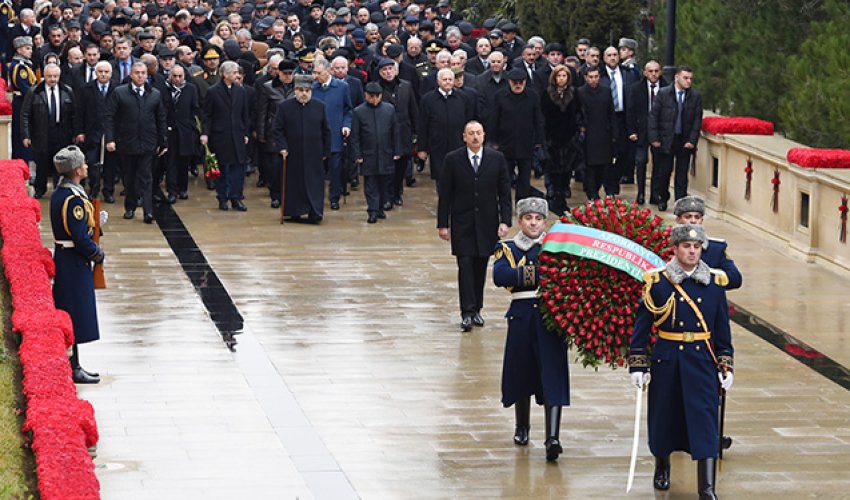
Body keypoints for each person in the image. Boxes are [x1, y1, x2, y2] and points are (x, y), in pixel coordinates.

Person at [629, 224, 734, 499]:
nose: (692, 251)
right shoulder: (658, 282)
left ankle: (707, 487)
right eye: (686, 247)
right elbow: (642, 328)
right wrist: (638, 365)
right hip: (668, 358)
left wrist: (726, 364)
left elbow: (722, 330)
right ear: (674, 249)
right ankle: (662, 466)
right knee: (665, 416)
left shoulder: (714, 283)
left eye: (696, 247)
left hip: (701, 360)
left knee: (705, 420)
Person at [492, 197, 569, 462]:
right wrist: (540, 273)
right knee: (521, 372)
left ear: (545, 222)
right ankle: (522, 426)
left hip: (551, 317)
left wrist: (528, 273)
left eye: (538, 219)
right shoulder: (509, 248)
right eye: (528, 218)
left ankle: (553, 437)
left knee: (553, 375)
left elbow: (568, 276)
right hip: (522, 316)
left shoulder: (556, 247)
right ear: (519, 221)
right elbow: (500, 276)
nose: (533, 223)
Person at [437, 120, 512, 332]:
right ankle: (467, 312)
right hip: (462, 223)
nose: (475, 137)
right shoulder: (453, 160)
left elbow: (504, 192)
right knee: (466, 266)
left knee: (480, 267)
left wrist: (505, 220)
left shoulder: (496, 159)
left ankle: (477, 308)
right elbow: (446, 194)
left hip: (487, 223)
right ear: (464, 137)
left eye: (478, 133)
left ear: (484, 135)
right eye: (471, 133)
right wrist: (443, 224)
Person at [50, 145, 105, 384]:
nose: (85, 166)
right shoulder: (72, 199)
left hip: (68, 260)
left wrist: (96, 224)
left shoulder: (65, 192)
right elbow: (80, 238)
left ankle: (76, 365)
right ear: (75, 170)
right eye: (82, 164)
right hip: (74, 262)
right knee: (73, 316)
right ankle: (72, 368)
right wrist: (96, 253)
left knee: (73, 314)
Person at [105, 61, 168, 224]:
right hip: (127, 142)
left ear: (147, 75)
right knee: (130, 177)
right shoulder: (119, 93)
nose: (140, 76)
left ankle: (148, 211)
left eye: (143, 73)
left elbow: (161, 118)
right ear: (131, 75)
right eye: (137, 73)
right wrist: (110, 139)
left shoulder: (154, 94)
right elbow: (109, 117)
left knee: (147, 177)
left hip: (148, 142)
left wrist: (163, 142)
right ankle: (130, 207)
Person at [272, 73, 331, 223]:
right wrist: (282, 147)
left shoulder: (320, 106)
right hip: (292, 152)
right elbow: (277, 129)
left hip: (314, 153)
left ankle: (315, 211)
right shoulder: (285, 107)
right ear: (295, 91)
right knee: (294, 183)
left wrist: (325, 151)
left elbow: (326, 130)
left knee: (314, 183)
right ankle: (294, 211)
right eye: (300, 90)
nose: (304, 93)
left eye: (307, 90)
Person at [648, 65, 703, 210]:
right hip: (666, 139)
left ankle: (680, 203)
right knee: (664, 172)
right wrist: (654, 138)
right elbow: (654, 117)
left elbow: (697, 121)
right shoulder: (663, 93)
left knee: (682, 174)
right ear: (676, 77)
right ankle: (662, 198)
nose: (689, 81)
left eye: (691, 78)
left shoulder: (695, 97)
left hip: (684, 140)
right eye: (685, 78)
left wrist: (692, 140)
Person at [487, 67, 544, 202]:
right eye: (515, 82)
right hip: (505, 144)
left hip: (526, 144)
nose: (518, 85)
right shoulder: (500, 96)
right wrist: (493, 141)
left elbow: (538, 120)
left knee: (524, 178)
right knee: (504, 178)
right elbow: (494, 119)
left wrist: (539, 141)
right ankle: (504, 203)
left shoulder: (532, 96)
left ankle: (521, 203)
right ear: (509, 82)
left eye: (521, 82)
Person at [201, 60, 251, 212]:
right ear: (225, 74)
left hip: (237, 134)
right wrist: (205, 133)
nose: (237, 75)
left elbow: (244, 114)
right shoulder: (213, 91)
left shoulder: (241, 91)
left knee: (239, 168)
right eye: (234, 73)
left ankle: (236, 197)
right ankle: (222, 197)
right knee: (222, 167)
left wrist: (246, 133)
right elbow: (207, 115)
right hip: (220, 135)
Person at [21, 63, 76, 199]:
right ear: (44, 76)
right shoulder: (34, 92)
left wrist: (75, 133)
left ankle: (60, 188)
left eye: (55, 76)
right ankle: (40, 188)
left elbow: (74, 114)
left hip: (61, 131)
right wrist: (26, 135)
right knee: (42, 162)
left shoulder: (67, 90)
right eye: (50, 76)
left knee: (61, 162)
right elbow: (25, 115)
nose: (53, 79)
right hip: (41, 131)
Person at [350, 81, 402, 223]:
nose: (374, 99)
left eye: (377, 96)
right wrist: (357, 154)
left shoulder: (389, 109)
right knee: (371, 183)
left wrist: (397, 150)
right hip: (368, 154)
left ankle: (379, 208)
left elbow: (395, 131)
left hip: (386, 152)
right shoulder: (359, 111)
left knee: (384, 183)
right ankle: (372, 210)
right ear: (365, 95)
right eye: (371, 96)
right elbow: (355, 136)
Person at [418, 68, 473, 186]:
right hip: (437, 145)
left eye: (450, 79)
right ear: (438, 81)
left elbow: (469, 122)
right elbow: (423, 124)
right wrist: (422, 148)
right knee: (441, 179)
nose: (447, 82)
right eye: (444, 79)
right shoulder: (428, 99)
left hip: (458, 144)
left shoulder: (463, 98)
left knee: (459, 177)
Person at [674, 196, 742, 290]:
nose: (693, 221)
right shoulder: (666, 245)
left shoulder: (716, 248)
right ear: (678, 220)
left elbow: (735, 279)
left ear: (702, 221)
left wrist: (703, 275)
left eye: (697, 217)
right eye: (688, 216)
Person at [311, 58, 353, 211]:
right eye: (314, 72)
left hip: (335, 134)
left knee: (336, 170)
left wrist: (346, 125)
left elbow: (348, 110)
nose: (315, 76)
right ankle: (316, 198)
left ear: (328, 71)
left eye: (318, 73)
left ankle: (334, 197)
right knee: (317, 170)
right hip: (317, 136)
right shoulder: (312, 88)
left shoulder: (342, 87)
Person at [376, 59, 418, 207]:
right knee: (388, 166)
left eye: (390, 69)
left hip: (404, 131)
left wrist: (416, 132)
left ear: (396, 70)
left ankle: (397, 192)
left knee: (401, 166)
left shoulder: (406, 86)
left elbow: (413, 109)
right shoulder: (377, 88)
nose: (388, 73)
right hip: (385, 133)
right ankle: (387, 195)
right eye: (384, 70)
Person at [540, 64, 581, 216]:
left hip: (569, 139)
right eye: (559, 76)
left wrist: (577, 132)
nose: (562, 79)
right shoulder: (547, 93)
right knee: (554, 171)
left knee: (567, 171)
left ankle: (562, 196)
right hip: (552, 138)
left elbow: (578, 113)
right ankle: (556, 198)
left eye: (564, 76)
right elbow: (543, 116)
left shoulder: (574, 93)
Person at [74, 60, 116, 203]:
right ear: (96, 73)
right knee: (92, 163)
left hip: (111, 133)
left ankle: (108, 191)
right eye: (100, 72)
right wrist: (79, 131)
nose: (103, 74)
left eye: (106, 72)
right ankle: (94, 189)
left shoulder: (117, 88)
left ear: (111, 73)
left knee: (110, 165)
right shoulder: (86, 89)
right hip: (92, 132)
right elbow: (79, 112)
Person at [626, 60, 666, 205]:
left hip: (659, 132)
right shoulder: (636, 88)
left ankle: (655, 194)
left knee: (659, 164)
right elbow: (630, 111)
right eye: (651, 71)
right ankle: (641, 192)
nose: (654, 74)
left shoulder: (666, 87)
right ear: (645, 72)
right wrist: (631, 131)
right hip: (641, 131)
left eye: (656, 71)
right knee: (641, 161)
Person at [257, 59, 296, 208]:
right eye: (285, 73)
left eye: (290, 73)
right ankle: (275, 195)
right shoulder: (268, 88)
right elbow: (262, 112)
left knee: (291, 167)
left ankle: (289, 194)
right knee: (274, 167)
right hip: (274, 131)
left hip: (292, 132)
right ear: (278, 73)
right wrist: (261, 135)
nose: (287, 76)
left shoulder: (298, 86)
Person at [577, 65, 617, 200]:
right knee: (590, 167)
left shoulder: (606, 91)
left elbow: (611, 112)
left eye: (596, 77)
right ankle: (592, 193)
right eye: (591, 77)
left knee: (605, 165)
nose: (593, 80)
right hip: (589, 134)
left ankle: (608, 190)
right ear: (585, 78)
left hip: (604, 133)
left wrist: (613, 133)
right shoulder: (580, 92)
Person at [164, 64, 200, 202]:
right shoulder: (165, 89)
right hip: (170, 131)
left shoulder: (191, 89)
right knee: (171, 163)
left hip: (186, 131)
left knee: (184, 162)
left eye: (180, 76)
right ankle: (172, 191)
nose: (177, 79)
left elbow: (195, 109)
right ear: (170, 76)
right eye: (175, 76)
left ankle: (183, 189)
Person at [8, 37, 37, 164]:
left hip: (24, 100)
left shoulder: (25, 64)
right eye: (27, 48)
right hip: (22, 102)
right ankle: (22, 162)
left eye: (31, 48)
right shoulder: (20, 67)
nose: (30, 51)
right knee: (22, 134)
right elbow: (26, 88)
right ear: (19, 50)